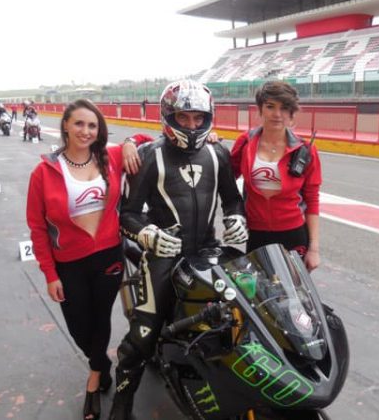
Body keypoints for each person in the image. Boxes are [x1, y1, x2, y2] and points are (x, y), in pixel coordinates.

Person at [108, 80, 248, 420]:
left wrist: (236, 217)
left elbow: (233, 199)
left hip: (209, 251)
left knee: (243, 315)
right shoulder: (149, 156)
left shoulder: (218, 153)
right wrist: (149, 235)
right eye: (183, 117)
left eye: (198, 118)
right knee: (143, 336)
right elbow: (127, 214)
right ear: (168, 117)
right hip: (163, 255)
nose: (192, 125)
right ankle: (121, 404)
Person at [26, 99, 153, 420]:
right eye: (79, 123)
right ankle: (101, 361)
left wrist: (128, 142)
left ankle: (95, 379)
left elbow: (150, 140)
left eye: (93, 125)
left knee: (100, 318)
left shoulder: (111, 156)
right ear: (66, 126)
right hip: (68, 263)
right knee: (79, 327)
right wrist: (50, 274)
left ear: (100, 130)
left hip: (108, 255)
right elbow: (37, 228)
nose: (86, 131)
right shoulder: (44, 172)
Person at [231, 81, 322, 271]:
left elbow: (312, 200)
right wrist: (210, 142)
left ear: (292, 113)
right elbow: (226, 178)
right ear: (260, 109)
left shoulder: (305, 151)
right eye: (270, 106)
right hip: (256, 234)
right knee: (258, 288)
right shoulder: (245, 142)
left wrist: (314, 249)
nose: (277, 114)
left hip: (293, 233)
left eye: (284, 108)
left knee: (293, 288)